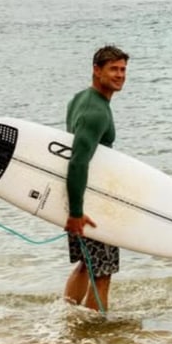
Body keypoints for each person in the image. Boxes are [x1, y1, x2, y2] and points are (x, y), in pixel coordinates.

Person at [63, 44, 129, 311]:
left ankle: (68, 318)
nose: (120, 75)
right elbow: (78, 161)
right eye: (113, 69)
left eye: (123, 69)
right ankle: (94, 335)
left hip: (80, 197)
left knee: (87, 265)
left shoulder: (80, 99)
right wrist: (77, 212)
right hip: (91, 202)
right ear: (96, 70)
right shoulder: (96, 112)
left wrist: (73, 207)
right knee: (103, 272)